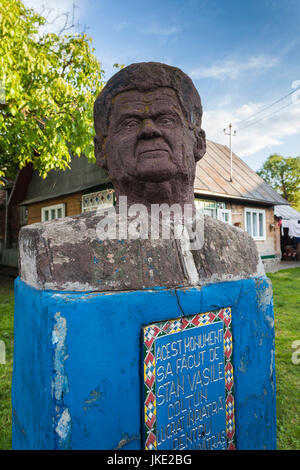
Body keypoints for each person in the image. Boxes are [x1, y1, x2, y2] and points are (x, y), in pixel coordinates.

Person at [94, 62, 206, 212]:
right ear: (101, 150)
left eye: (166, 120)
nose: (148, 130)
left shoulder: (231, 237)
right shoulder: (56, 236)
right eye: (130, 123)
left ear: (199, 143)